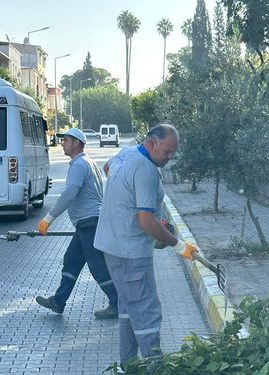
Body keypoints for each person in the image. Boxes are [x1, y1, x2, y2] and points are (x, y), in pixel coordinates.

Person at [94, 124, 197, 366]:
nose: (169, 158)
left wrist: (126, 202)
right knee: (146, 311)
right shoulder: (147, 170)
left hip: (112, 246)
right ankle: (155, 366)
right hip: (130, 252)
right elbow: (146, 221)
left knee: (129, 308)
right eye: (167, 152)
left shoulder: (127, 153)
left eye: (173, 153)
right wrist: (177, 244)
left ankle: (128, 365)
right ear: (151, 143)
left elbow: (108, 168)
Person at [35, 128, 119, 320]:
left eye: (66, 140)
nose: (63, 143)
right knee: (71, 261)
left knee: (97, 267)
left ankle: (118, 303)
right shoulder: (86, 162)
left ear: (77, 143)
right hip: (86, 224)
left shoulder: (80, 165)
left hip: (90, 223)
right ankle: (59, 301)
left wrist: (49, 218)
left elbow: (70, 193)